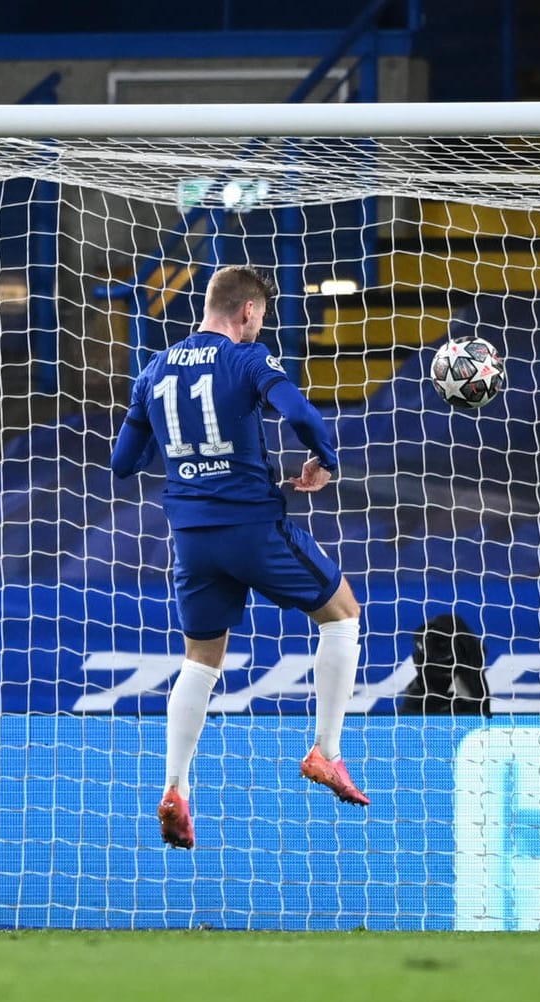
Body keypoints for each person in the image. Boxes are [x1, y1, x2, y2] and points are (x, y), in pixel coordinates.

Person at [109, 265, 367, 853]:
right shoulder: (248, 360)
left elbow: (124, 462)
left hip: (191, 540)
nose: (261, 325)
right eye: (262, 317)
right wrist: (324, 460)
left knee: (200, 659)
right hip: (252, 526)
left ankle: (176, 786)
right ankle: (326, 753)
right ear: (247, 312)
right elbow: (302, 415)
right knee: (343, 615)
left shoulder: (153, 370)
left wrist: (177, 442)